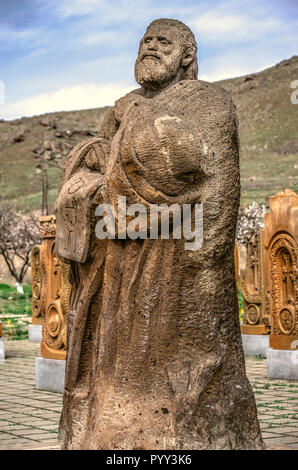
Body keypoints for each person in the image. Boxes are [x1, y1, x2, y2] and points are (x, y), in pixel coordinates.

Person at [55, 18, 264, 450]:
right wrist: (91, 173)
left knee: (184, 377)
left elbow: (206, 176)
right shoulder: (122, 106)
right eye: (145, 40)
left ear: (186, 55)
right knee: (119, 365)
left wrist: (205, 261)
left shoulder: (209, 101)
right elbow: (100, 162)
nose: (149, 46)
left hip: (181, 261)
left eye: (161, 41)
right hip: (120, 260)